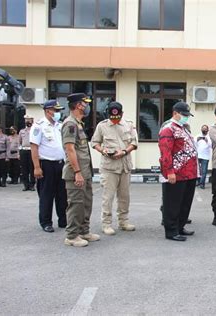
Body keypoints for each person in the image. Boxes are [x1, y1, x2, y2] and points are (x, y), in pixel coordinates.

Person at [92, 101, 138, 236]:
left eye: (117, 117)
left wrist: (124, 152)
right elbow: (94, 142)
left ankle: (123, 221)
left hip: (125, 166)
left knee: (124, 197)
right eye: (112, 118)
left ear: (122, 114)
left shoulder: (128, 125)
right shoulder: (102, 126)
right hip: (109, 167)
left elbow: (134, 143)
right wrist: (103, 151)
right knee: (108, 197)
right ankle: (106, 224)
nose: (115, 120)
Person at [61, 93, 99, 247]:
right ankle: (71, 235)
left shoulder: (78, 123)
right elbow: (70, 150)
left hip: (85, 172)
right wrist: (77, 172)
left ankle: (84, 231)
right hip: (76, 173)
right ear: (78, 105)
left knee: (86, 203)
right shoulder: (70, 124)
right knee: (76, 204)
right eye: (85, 103)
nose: (87, 106)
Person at [158, 102, 197, 241]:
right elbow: (166, 152)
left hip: (189, 173)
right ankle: (171, 231)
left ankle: (180, 227)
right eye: (184, 115)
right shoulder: (168, 129)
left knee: (185, 203)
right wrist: (169, 171)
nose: (186, 117)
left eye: (187, 115)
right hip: (176, 172)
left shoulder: (183, 128)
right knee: (172, 203)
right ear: (175, 113)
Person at [30, 100, 67, 233]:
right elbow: (34, 147)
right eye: (55, 110)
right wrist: (36, 167)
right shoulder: (38, 126)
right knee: (46, 195)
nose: (58, 113)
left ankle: (63, 220)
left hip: (60, 164)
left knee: (62, 194)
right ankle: (46, 222)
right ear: (47, 110)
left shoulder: (59, 125)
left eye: (58, 111)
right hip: (46, 164)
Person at [19, 114, 36, 191]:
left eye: (29, 119)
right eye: (26, 120)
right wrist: (18, 153)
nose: (27, 121)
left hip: (32, 150)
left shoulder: (35, 130)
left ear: (32, 121)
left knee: (32, 168)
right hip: (24, 151)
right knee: (24, 169)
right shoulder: (22, 131)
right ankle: (26, 185)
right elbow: (19, 143)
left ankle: (32, 185)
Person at [196, 124, 212, 189]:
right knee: (198, 170)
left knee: (204, 171)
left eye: (205, 128)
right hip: (198, 155)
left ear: (208, 130)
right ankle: (199, 182)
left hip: (205, 156)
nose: (204, 129)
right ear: (201, 129)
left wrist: (207, 141)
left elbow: (211, 146)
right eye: (203, 128)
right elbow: (194, 144)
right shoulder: (197, 136)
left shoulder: (209, 137)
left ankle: (202, 184)